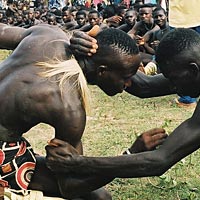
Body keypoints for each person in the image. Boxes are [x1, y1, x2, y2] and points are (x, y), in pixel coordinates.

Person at [0, 24, 167, 199]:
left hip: (9, 145)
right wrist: (130, 155)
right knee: (100, 198)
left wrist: (68, 35)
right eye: (125, 78)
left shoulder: (49, 34)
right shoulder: (69, 107)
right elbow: (70, 187)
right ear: (102, 71)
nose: (129, 84)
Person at [46, 27, 200, 195]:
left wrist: (77, 163)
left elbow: (159, 160)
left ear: (193, 70)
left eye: (173, 79)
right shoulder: (192, 72)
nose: (171, 87)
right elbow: (145, 86)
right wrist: (101, 48)